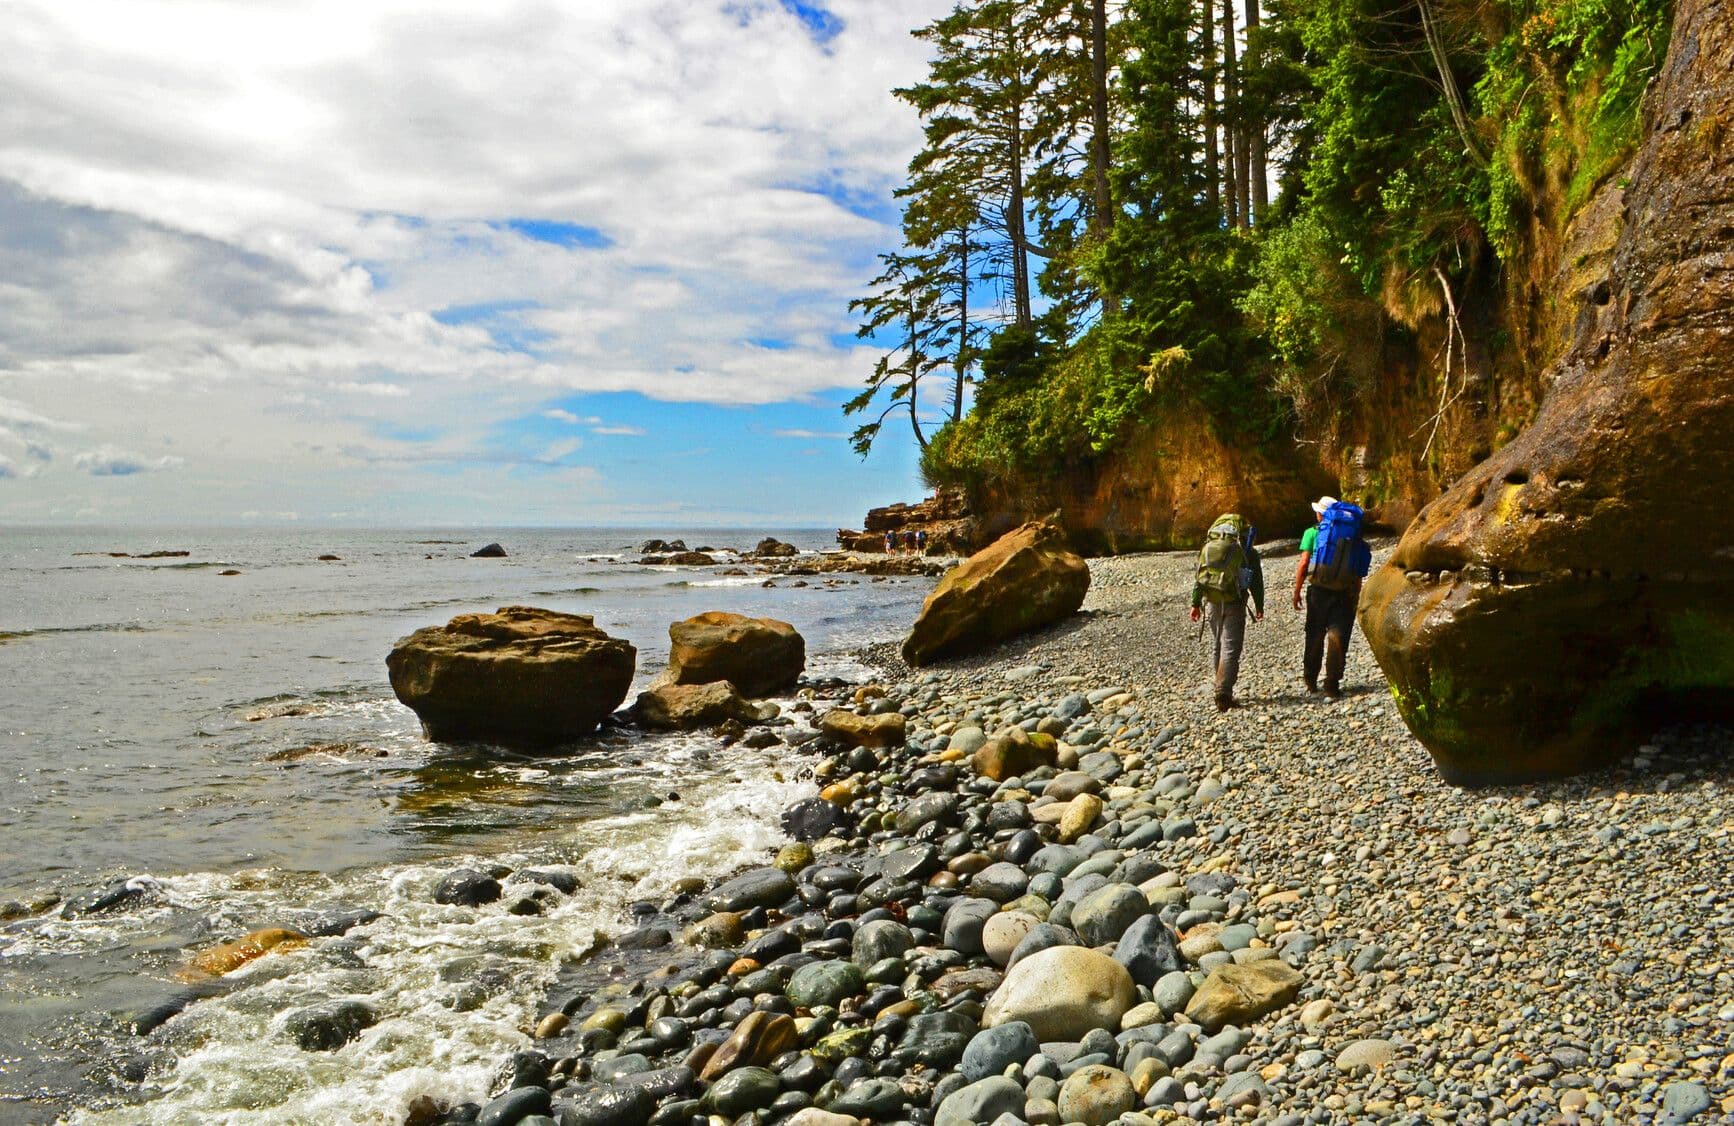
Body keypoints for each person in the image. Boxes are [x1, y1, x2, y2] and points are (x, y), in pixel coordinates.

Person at [1292, 495, 1371, 699]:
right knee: (1338, 635)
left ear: (1322, 515)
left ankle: (1310, 679)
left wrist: (1297, 591)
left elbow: (1303, 564)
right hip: (1345, 590)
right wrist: (1356, 594)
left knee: (1315, 633)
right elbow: (1359, 570)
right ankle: (1331, 684)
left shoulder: (1311, 533)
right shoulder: (1353, 537)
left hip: (1318, 590)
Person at [1189, 513, 1265, 711]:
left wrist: (1195, 604)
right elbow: (1256, 582)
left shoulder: (1207, 549)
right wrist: (1259, 605)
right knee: (1230, 647)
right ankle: (1223, 693)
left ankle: (1219, 686)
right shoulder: (1248, 552)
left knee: (1217, 644)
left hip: (1212, 601)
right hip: (1235, 602)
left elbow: (1199, 577)